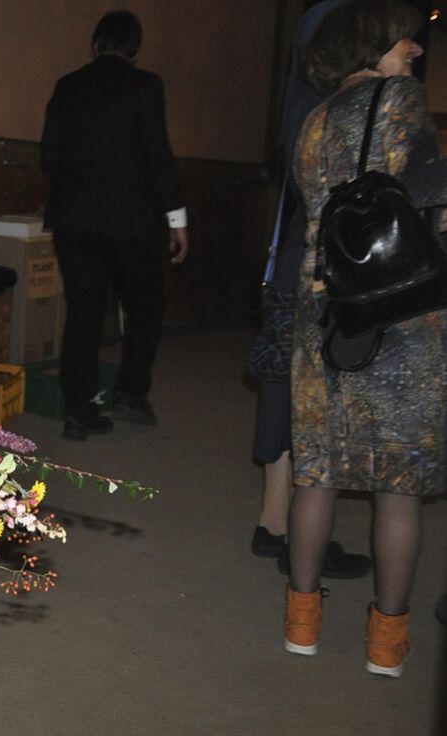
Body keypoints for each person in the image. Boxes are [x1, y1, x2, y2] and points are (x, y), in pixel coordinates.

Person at [285, 0, 447, 678]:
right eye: (405, 38)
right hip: (398, 311)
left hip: (323, 310)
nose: (415, 48)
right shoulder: (400, 100)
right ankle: (386, 642)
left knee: (316, 473)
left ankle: (301, 624)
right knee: (398, 485)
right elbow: (428, 194)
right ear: (372, 41)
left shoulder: (312, 120)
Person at [250, 0, 371, 581]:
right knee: (314, 394)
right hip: (324, 263)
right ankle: (297, 531)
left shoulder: (301, 100)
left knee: (283, 384)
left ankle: (275, 521)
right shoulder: (338, 105)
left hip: (295, 258)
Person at [40, 10, 190, 442]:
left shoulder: (67, 86)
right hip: (133, 222)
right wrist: (177, 219)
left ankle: (79, 411)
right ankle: (130, 394)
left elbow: (49, 156)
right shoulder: (146, 86)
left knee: (82, 313)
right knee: (145, 307)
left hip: (75, 220)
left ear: (95, 44)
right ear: (136, 49)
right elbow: (158, 155)